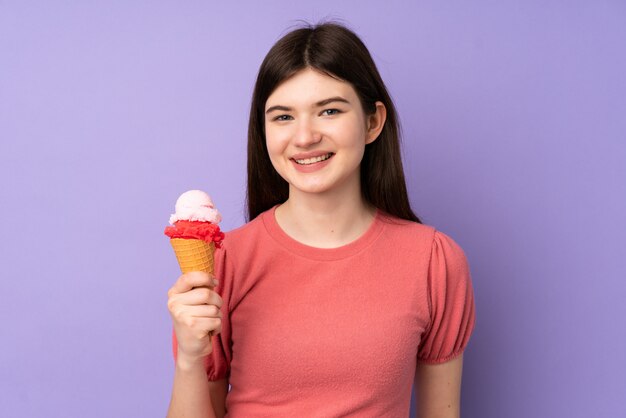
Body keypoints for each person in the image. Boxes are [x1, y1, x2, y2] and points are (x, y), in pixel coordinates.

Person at [166, 20, 476, 418]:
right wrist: (191, 360)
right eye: (282, 117)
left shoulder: (435, 262)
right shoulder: (225, 261)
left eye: (329, 110)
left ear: (372, 122)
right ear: (263, 132)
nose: (305, 136)